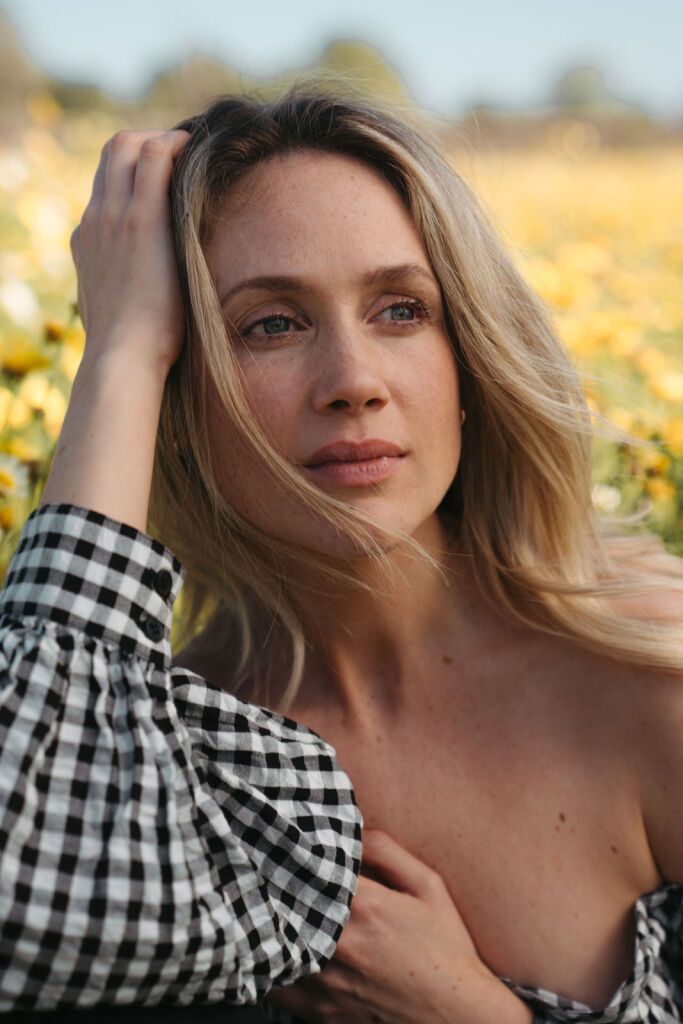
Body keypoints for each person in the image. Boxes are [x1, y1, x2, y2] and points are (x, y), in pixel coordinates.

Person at [1, 78, 682, 1024]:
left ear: (468, 356)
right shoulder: (165, 750)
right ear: (177, 396)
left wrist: (468, 1013)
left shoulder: (650, 669)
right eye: (270, 325)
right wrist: (118, 352)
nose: (353, 382)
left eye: (401, 310)